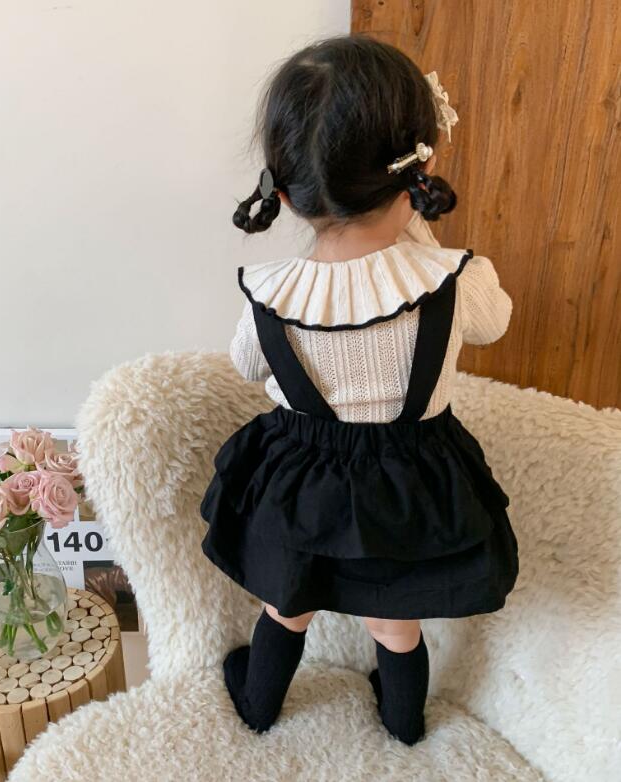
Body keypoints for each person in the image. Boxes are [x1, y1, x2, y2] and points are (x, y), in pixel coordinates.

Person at [200, 35, 518, 746]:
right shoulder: (456, 279)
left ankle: (258, 704)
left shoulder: (272, 295)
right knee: (395, 620)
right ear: (418, 172)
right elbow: (495, 322)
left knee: (287, 604)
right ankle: (403, 723)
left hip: (301, 479)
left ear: (283, 194)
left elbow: (246, 365)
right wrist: (422, 239)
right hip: (410, 480)